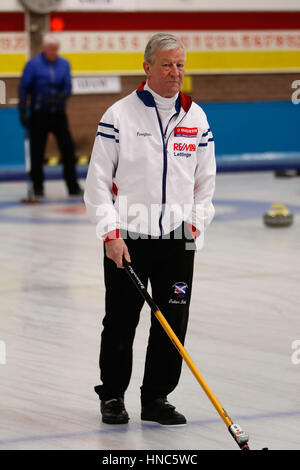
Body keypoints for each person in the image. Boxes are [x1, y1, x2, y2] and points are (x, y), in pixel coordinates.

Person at [84, 33, 216, 426]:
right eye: (166, 65)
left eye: (180, 65)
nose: (175, 73)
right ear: (147, 68)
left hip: (178, 239)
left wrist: (195, 224)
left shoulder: (196, 117)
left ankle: (156, 397)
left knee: (172, 322)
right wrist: (110, 232)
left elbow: (205, 181)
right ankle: (112, 396)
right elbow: (98, 180)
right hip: (129, 237)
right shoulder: (119, 116)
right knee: (122, 320)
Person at [18, 33, 82, 198]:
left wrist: (61, 96)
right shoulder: (33, 65)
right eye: (51, 49)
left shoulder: (64, 64)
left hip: (58, 114)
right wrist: (23, 110)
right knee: (37, 152)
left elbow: (68, 86)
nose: (54, 52)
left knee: (68, 150)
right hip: (39, 114)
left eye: (56, 49)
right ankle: (38, 187)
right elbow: (24, 87)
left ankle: (72, 186)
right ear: (44, 49)